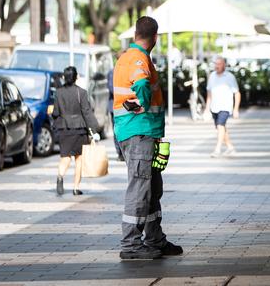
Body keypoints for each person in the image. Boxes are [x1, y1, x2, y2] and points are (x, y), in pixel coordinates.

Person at [113, 16, 183, 260]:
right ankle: (131, 244)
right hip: (138, 131)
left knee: (152, 188)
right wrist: (142, 103)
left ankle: (154, 238)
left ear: (135, 34)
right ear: (155, 37)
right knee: (140, 188)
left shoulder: (128, 57)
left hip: (141, 133)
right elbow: (141, 84)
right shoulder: (137, 58)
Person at [53, 66, 99, 196]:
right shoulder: (82, 93)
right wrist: (94, 130)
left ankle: (60, 177)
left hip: (64, 128)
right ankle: (75, 188)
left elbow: (56, 112)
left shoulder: (58, 92)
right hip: (79, 129)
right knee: (79, 159)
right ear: (76, 77)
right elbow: (87, 112)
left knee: (65, 158)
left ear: (64, 77)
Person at [205, 56, 241, 157]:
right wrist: (207, 109)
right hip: (214, 107)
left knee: (220, 126)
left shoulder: (230, 77)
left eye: (219, 64)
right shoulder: (212, 76)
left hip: (225, 107)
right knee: (221, 128)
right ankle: (230, 147)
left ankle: (217, 149)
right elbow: (209, 93)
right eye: (216, 64)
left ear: (224, 65)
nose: (217, 66)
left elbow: (237, 93)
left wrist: (236, 109)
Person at [107, 51, 125, 161]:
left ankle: (123, 152)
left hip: (125, 106)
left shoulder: (127, 71)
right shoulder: (112, 72)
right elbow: (111, 88)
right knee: (117, 130)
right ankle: (120, 153)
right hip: (115, 106)